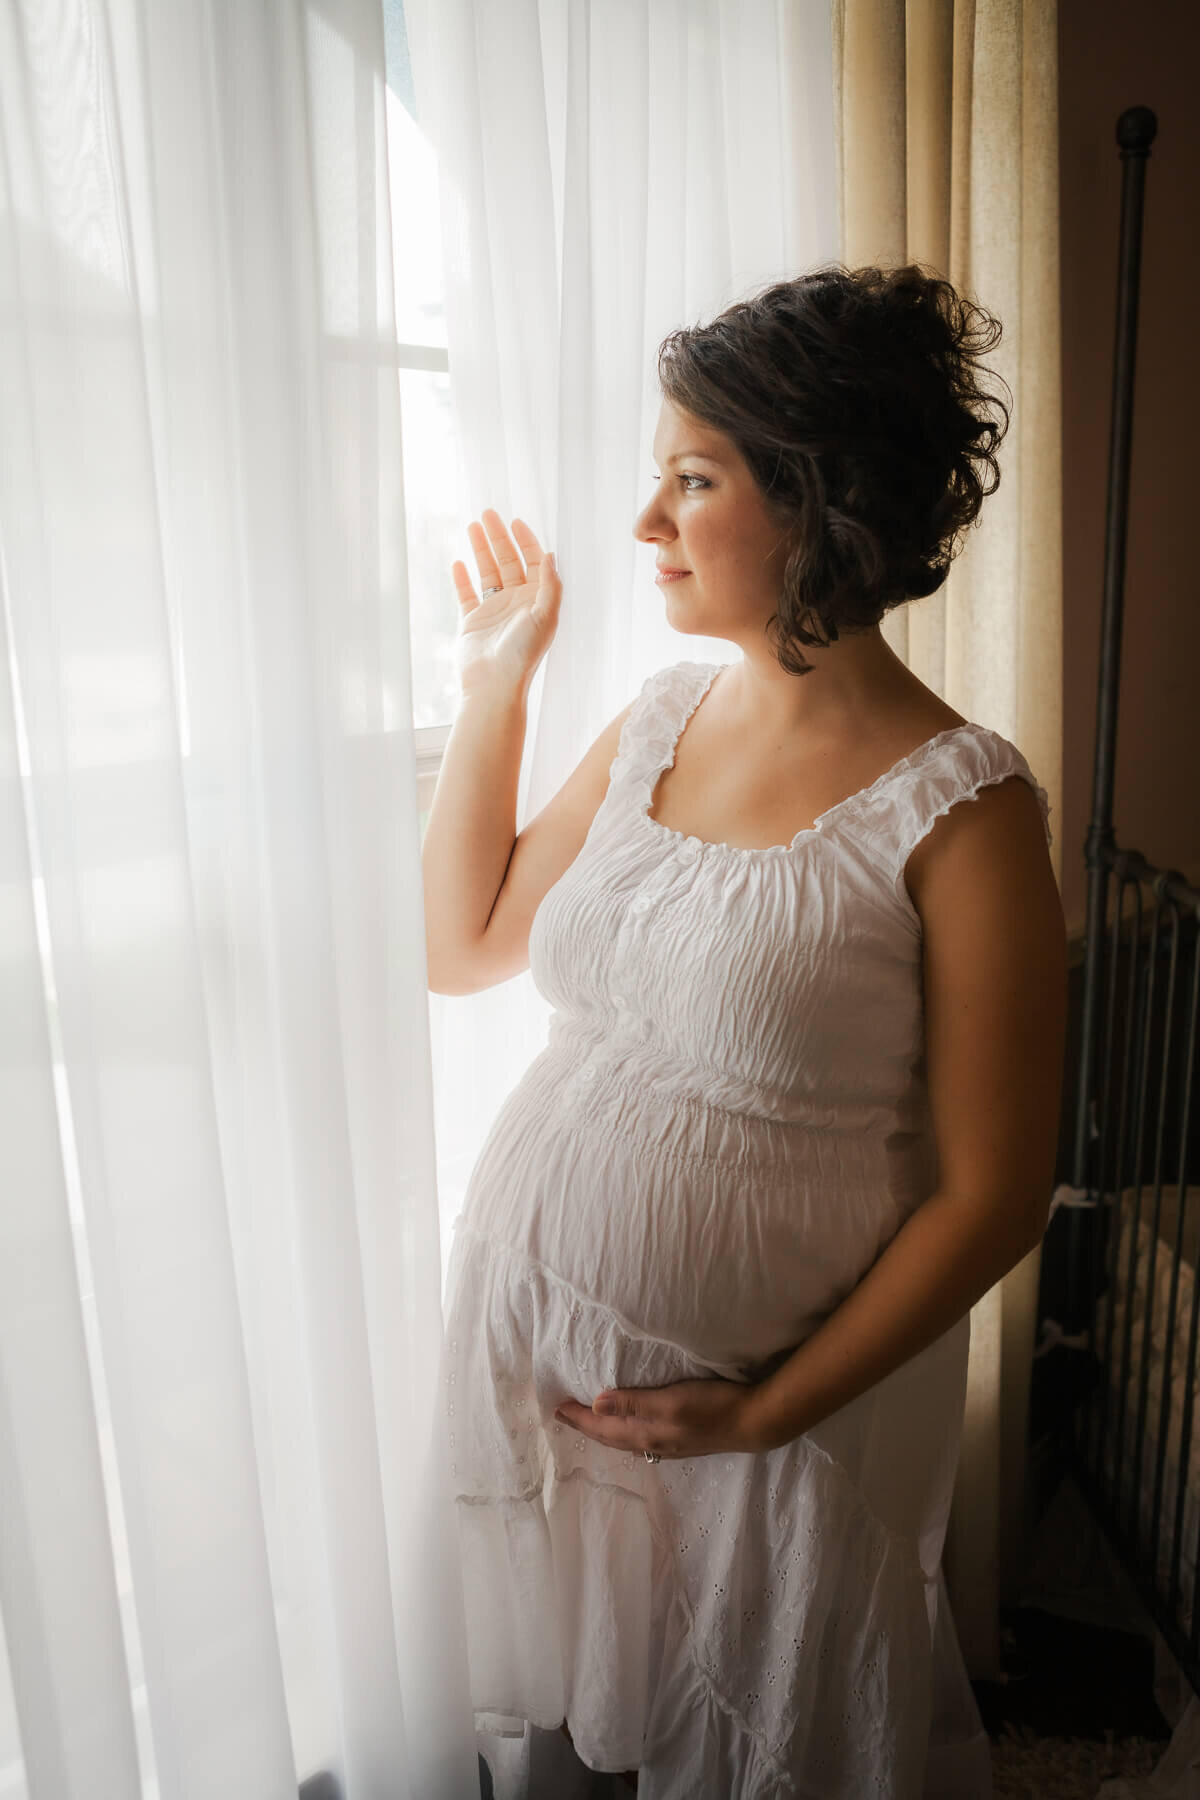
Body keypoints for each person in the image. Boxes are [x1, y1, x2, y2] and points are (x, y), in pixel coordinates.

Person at [420, 262, 1067, 1800]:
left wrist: (765, 1407)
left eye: (692, 479)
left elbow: (994, 1194)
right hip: (534, 1360)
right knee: (569, 1758)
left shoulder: (966, 810)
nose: (646, 524)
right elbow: (464, 949)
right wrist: (492, 687)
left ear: (818, 502)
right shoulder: (655, 720)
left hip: (768, 1429)